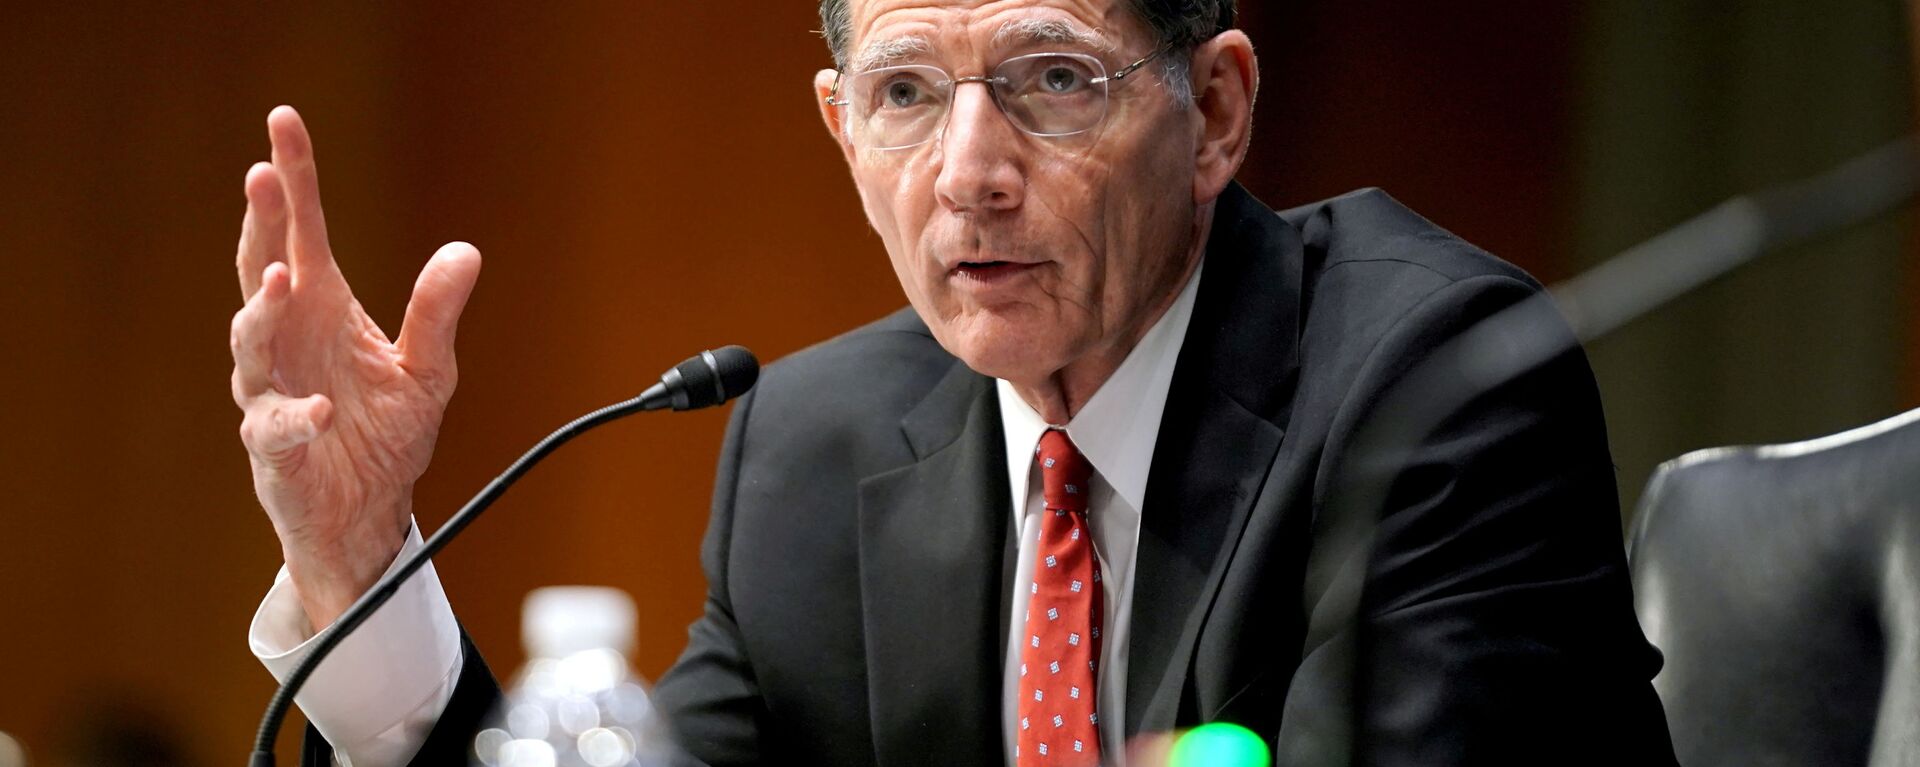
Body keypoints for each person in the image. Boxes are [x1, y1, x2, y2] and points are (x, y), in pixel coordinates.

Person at [232, 1, 1679, 765]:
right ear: (838, 124)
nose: (970, 176)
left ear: (1219, 109)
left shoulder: (1431, 384)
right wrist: (363, 566)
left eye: (1053, 80)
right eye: (907, 95)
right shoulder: (816, 442)